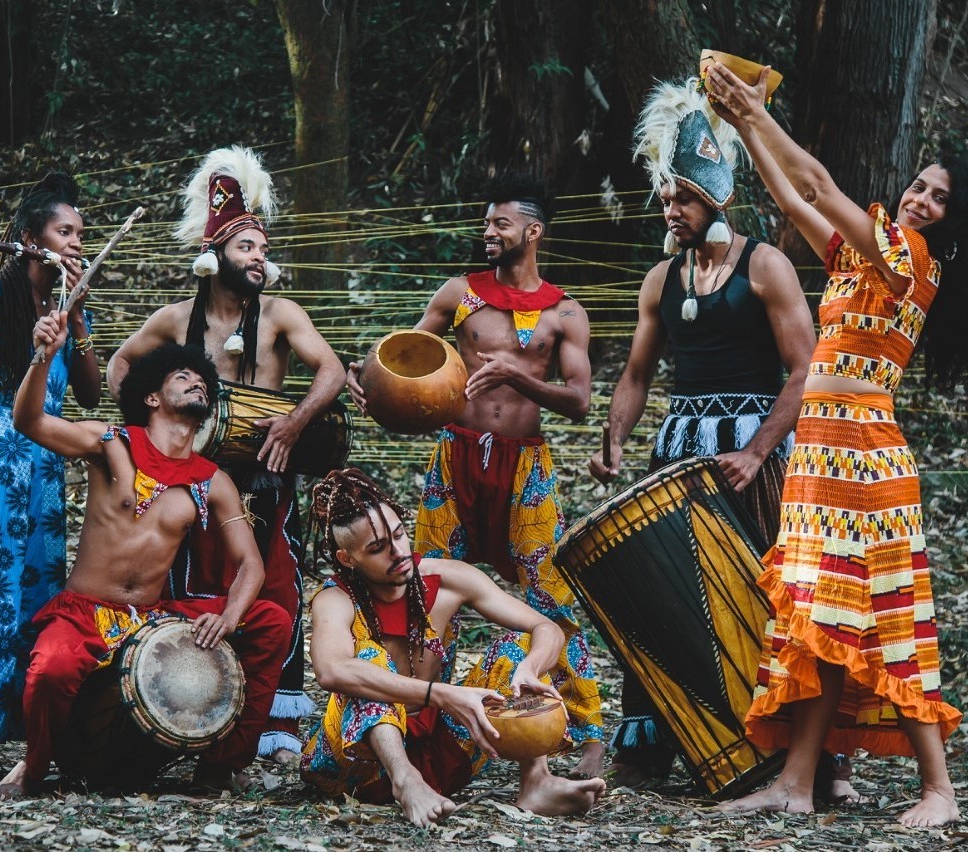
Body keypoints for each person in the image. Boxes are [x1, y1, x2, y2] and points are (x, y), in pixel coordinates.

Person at [703, 61, 968, 827]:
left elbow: (816, 184)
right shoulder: (858, 255)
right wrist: (745, 125)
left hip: (865, 458)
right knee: (820, 616)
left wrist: (755, 110)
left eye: (939, 198)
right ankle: (794, 782)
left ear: (951, 221)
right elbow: (791, 197)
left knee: (889, 614)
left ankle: (941, 791)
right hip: (821, 455)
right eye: (919, 186)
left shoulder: (909, 260)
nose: (921, 199)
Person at [586, 80, 822, 792]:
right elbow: (635, 372)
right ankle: (655, 747)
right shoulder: (660, 278)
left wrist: (756, 452)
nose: (671, 210)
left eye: (683, 198)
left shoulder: (766, 267)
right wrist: (615, 438)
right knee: (661, 593)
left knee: (760, 596)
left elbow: (807, 369)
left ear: (714, 198)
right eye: (665, 199)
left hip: (753, 457)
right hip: (678, 454)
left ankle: (784, 747)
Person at [346, 174, 605, 778]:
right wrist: (367, 379)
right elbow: (406, 353)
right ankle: (419, 719)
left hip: (525, 466)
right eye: (487, 224)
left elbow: (579, 400)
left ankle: (586, 735)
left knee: (553, 595)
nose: (488, 233)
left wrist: (518, 378)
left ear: (533, 232)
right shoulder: (461, 293)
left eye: (501, 224)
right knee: (423, 588)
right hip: (454, 458)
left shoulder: (564, 311)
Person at [107, 146, 346, 762]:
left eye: (263, 250)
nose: (259, 259)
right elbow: (120, 366)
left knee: (277, 592)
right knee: (190, 583)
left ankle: (272, 727)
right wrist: (149, 432)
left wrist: (293, 423)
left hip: (265, 475)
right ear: (215, 258)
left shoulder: (281, 317)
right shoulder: (175, 319)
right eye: (247, 249)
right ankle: (184, 708)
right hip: (193, 480)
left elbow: (332, 370)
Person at [0, 320, 291, 798]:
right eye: (182, 377)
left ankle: (220, 766)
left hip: (150, 616)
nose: (197, 382)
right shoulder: (109, 442)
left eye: (202, 381)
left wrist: (230, 618)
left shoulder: (214, 480)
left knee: (272, 620)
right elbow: (28, 422)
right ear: (151, 398)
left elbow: (251, 566)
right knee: (50, 669)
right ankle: (33, 766)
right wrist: (44, 355)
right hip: (86, 611)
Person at [299, 468, 606, 827]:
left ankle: (537, 783)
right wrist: (441, 694)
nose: (398, 552)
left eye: (399, 535)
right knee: (367, 665)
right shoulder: (335, 599)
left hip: (444, 756)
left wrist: (529, 668)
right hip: (357, 769)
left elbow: (546, 628)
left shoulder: (446, 578)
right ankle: (406, 782)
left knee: (519, 648)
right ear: (348, 559)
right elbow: (332, 670)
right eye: (378, 548)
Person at [0, 172, 101, 787]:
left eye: (80, 234)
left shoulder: (68, 304)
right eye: (63, 231)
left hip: (42, 470)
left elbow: (92, 390)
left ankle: (15, 732)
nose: (74, 242)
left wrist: (77, 316)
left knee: (30, 593)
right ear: (27, 237)